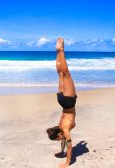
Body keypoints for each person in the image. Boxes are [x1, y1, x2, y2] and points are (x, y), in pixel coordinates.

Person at [47, 37, 77, 168]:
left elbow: (69, 146)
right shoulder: (59, 125)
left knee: (66, 74)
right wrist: (61, 151)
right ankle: (57, 52)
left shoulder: (64, 129)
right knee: (60, 74)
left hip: (69, 102)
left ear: (59, 134)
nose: (60, 140)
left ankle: (61, 50)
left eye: (58, 138)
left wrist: (67, 163)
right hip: (61, 101)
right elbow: (64, 142)